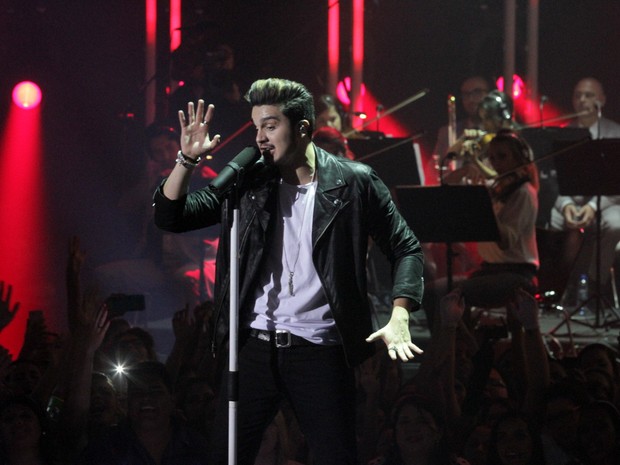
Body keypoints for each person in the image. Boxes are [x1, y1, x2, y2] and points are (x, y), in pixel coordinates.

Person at [153, 77, 425, 464]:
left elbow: (406, 247)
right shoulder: (248, 184)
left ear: (302, 129)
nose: (260, 138)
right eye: (256, 126)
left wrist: (400, 312)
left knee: (335, 456)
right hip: (253, 348)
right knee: (225, 456)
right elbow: (171, 216)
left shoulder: (354, 183)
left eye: (270, 125)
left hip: (321, 349)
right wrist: (186, 161)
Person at [550, 77, 620, 300]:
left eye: (588, 95)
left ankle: (594, 285)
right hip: (571, 203)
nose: (582, 100)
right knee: (548, 221)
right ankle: (556, 285)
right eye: (578, 95)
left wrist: (592, 207)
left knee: (615, 223)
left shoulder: (615, 133)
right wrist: (567, 204)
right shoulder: (562, 134)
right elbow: (552, 178)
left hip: (607, 202)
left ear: (602, 100)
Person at [433, 76, 493, 166]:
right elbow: (433, 172)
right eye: (466, 94)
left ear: (490, 95)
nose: (471, 99)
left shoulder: (502, 132)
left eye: (477, 92)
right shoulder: (447, 133)